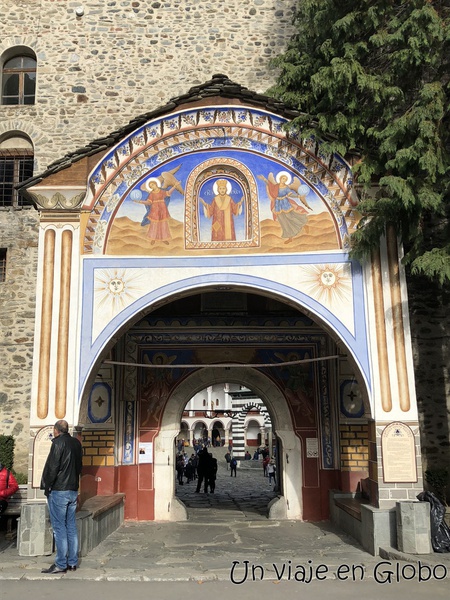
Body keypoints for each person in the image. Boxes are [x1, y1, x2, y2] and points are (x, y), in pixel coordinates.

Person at [40, 420, 83, 574]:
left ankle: (60, 563)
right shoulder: (77, 444)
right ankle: (72, 562)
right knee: (71, 526)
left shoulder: (58, 444)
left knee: (59, 528)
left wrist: (47, 486)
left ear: (57, 430)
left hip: (59, 490)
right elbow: (79, 467)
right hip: (72, 489)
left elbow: (53, 467)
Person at [258, 172, 312, 244]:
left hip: (285, 203)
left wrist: (298, 196)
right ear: (280, 179)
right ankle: (290, 237)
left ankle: (304, 225)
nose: (283, 180)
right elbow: (270, 185)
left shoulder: (286, 188)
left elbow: (290, 195)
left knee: (291, 217)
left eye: (285, 179)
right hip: (278, 205)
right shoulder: (276, 186)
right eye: (283, 178)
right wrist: (264, 179)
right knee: (283, 221)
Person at [134, 179, 175, 245]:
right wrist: (139, 201)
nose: (152, 187)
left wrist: (174, 186)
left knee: (163, 224)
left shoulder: (162, 192)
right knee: (154, 224)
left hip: (162, 210)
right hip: (154, 210)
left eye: (152, 185)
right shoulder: (151, 194)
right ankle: (153, 238)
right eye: (150, 186)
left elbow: (168, 193)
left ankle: (164, 239)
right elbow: (148, 202)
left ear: (156, 184)